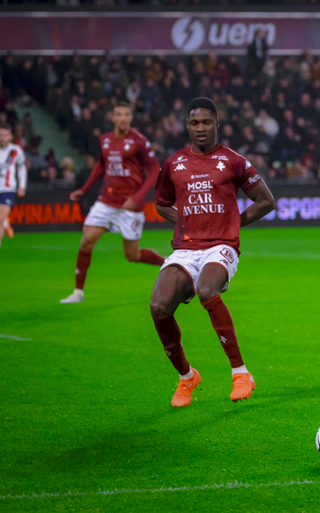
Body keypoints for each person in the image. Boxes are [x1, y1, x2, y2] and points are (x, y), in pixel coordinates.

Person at [150, 97, 275, 407]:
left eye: (206, 122)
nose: (200, 128)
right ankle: (186, 377)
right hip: (186, 248)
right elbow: (162, 203)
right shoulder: (173, 163)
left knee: (207, 289)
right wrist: (188, 221)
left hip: (221, 247)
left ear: (217, 123)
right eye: (194, 123)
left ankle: (241, 373)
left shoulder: (234, 161)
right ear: (187, 126)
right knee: (158, 306)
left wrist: (232, 223)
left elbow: (265, 201)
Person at [60, 103, 164, 303]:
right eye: (119, 114)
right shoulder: (105, 139)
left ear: (131, 118)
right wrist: (84, 189)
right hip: (106, 200)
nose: (122, 118)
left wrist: (138, 197)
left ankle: (168, 263)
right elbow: (101, 165)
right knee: (87, 239)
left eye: (126, 114)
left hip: (129, 205)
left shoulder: (140, 142)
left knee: (132, 255)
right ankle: (78, 292)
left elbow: (154, 170)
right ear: (113, 117)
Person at [0, 123, 27, 247]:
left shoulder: (15, 150)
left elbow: (22, 167)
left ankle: (5, 222)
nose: (2, 137)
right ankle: (5, 223)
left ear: (10, 136)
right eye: (0, 135)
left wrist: (22, 186)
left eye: (5, 135)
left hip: (7, 189)